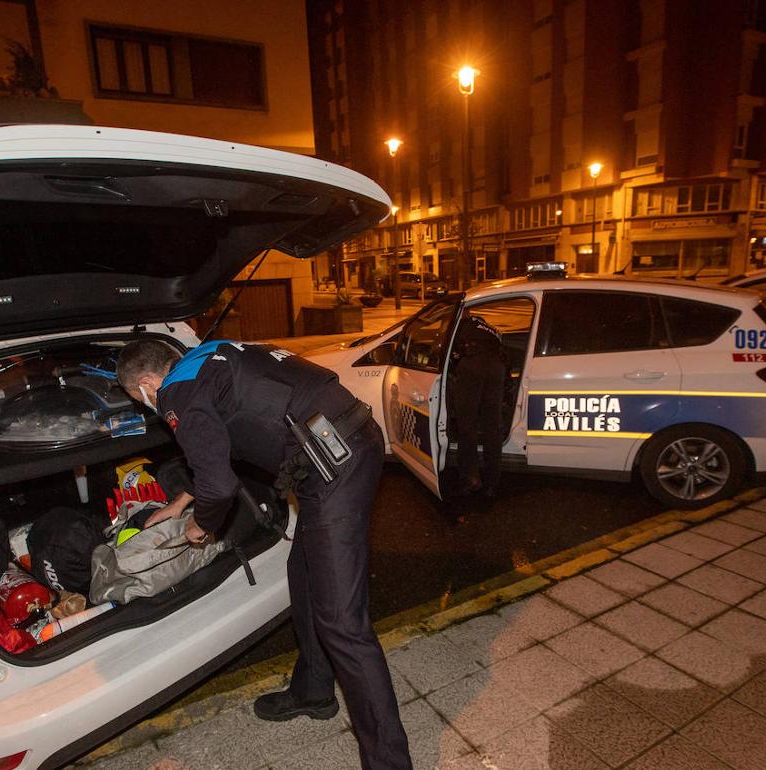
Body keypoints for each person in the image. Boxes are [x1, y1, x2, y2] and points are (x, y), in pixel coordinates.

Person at [116, 339, 412, 770]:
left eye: (140, 400)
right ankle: (314, 690)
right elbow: (219, 443)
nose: (148, 407)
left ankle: (390, 762)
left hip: (334, 465)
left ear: (146, 383)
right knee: (304, 572)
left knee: (344, 625)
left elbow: (218, 484)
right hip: (343, 439)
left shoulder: (177, 393)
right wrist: (179, 503)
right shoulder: (208, 357)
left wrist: (201, 524)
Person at [449, 310, 506, 498]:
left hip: (473, 367)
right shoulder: (490, 328)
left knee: (467, 426)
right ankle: (493, 483)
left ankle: (471, 478)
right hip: (496, 368)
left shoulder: (461, 324)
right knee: (492, 428)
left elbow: (450, 351)